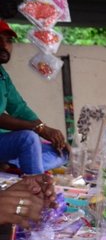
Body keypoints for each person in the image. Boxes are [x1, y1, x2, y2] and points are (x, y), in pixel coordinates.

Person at [0, 20, 68, 175]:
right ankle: (36, 185)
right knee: (28, 139)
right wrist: (38, 129)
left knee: (60, 151)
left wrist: (50, 134)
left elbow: (19, 108)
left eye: (8, 41)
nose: (4, 46)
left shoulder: (2, 74)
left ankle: (14, 165)